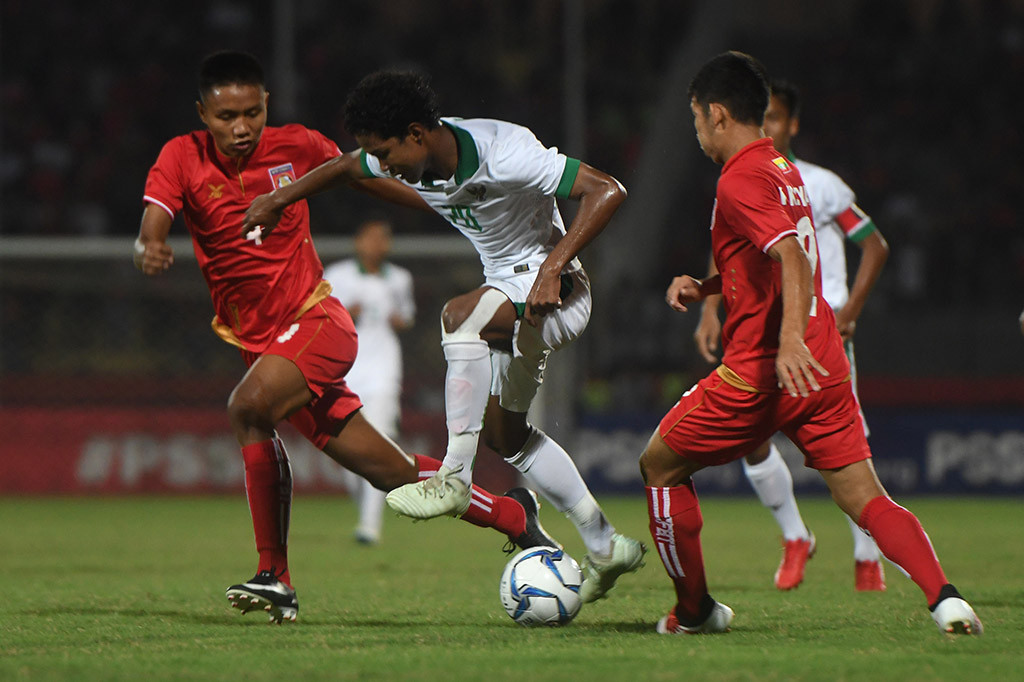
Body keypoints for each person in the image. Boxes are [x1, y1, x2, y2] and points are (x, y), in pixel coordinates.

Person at [134, 51, 559, 624]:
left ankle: (274, 576)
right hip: (262, 343)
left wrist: (456, 207)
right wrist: (149, 245)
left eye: (251, 113)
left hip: (317, 324)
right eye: (225, 115)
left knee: (248, 408)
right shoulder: (180, 158)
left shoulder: (300, 146)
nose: (240, 127)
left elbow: (379, 177)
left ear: (266, 105)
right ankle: (514, 516)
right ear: (202, 114)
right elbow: (154, 221)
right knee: (389, 472)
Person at [243, 70, 646, 603]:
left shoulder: (505, 151)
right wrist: (281, 199)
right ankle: (604, 543)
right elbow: (345, 166)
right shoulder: (411, 158)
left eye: (387, 154)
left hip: (558, 290)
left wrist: (554, 266)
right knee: (509, 437)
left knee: (459, 316)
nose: (384, 168)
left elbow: (607, 190)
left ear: (417, 133)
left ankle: (454, 475)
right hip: (510, 295)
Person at [639, 51, 981, 635]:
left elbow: (792, 256)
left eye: (696, 118)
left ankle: (694, 610)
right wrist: (709, 287)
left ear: (717, 114)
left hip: (764, 368)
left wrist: (787, 339)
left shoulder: (739, 177)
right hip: (823, 364)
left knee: (659, 466)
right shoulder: (783, 167)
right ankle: (945, 598)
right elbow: (769, 259)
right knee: (864, 497)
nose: (696, 130)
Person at [693, 79, 891, 592]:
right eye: (767, 118)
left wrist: (850, 309)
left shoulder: (819, 184)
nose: (772, 127)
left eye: (780, 118)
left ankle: (867, 557)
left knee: (849, 450)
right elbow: (730, 251)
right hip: (760, 331)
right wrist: (710, 307)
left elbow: (873, 245)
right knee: (751, 442)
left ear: (792, 124)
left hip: (813, 332)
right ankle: (795, 536)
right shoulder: (739, 177)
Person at [323, 218, 415, 545]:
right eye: (372, 238)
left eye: (383, 239)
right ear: (359, 241)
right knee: (345, 444)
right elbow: (320, 315)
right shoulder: (337, 275)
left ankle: (369, 525)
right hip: (345, 366)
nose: (378, 245)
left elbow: (406, 317)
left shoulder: (400, 278)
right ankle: (365, 509)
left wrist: (397, 320)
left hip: (385, 366)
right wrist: (347, 312)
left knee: (382, 438)